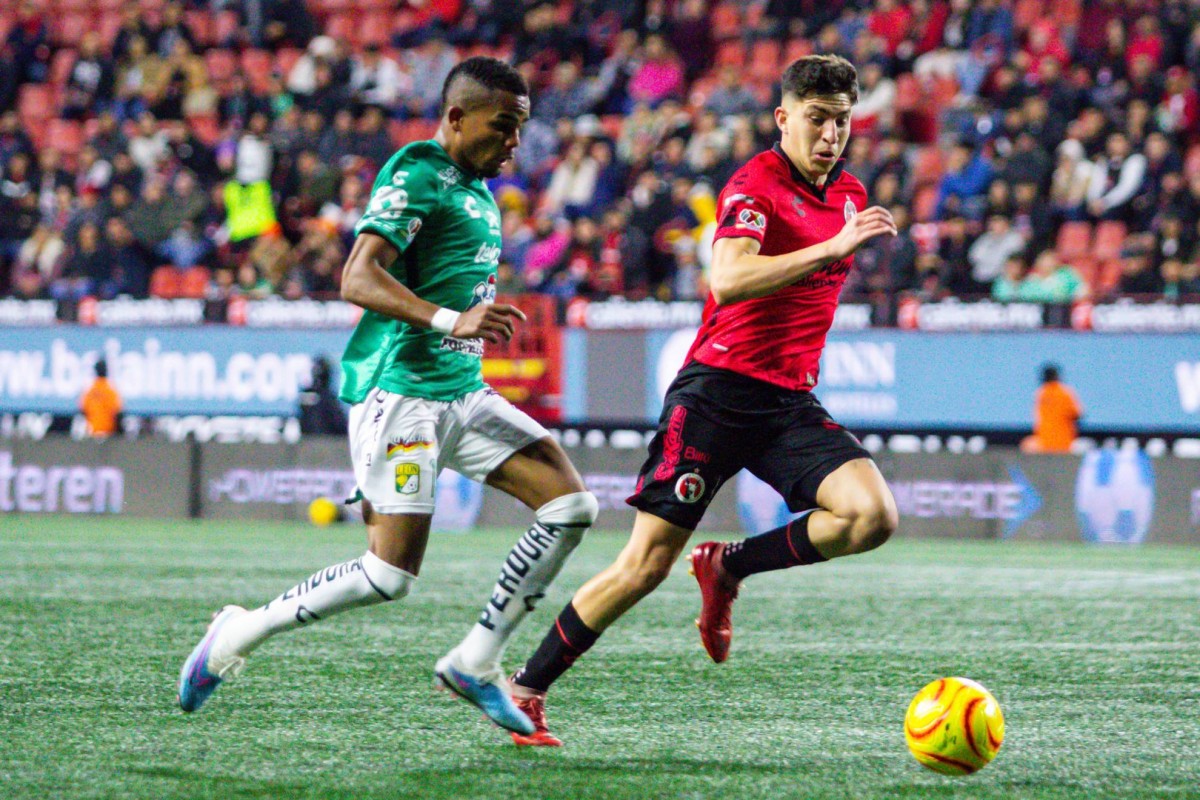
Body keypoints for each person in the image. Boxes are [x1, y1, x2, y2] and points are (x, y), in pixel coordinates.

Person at [178, 58, 599, 738]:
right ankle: (239, 630)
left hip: (462, 394)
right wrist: (447, 319)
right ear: (457, 118)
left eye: (521, 130)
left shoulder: (478, 190)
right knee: (389, 575)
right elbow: (357, 277)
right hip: (403, 395)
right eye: (503, 128)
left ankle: (475, 661)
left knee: (571, 504)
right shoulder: (417, 172)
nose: (514, 144)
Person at [506, 55, 900, 746]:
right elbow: (729, 275)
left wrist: (839, 234)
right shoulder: (756, 185)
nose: (831, 135)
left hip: (787, 403)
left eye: (841, 121)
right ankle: (526, 688)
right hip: (717, 392)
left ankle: (730, 566)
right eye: (816, 119)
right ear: (784, 118)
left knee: (871, 517)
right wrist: (834, 245)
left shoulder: (850, 194)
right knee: (644, 567)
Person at [1021, 364, 1083, 453]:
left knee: (1027, 444)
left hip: (1043, 443)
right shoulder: (1064, 393)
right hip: (1065, 443)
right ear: (1057, 376)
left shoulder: (1041, 394)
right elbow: (1077, 414)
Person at [79, 359, 122, 438]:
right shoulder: (110, 390)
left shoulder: (90, 390)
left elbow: (83, 410)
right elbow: (117, 412)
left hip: (93, 432)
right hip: (109, 433)